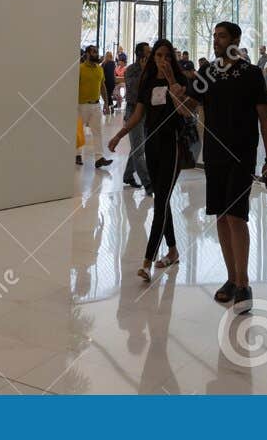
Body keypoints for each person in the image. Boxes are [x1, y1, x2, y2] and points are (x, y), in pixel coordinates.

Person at [192, 21, 267, 311]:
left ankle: (243, 282)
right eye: (214, 35)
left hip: (242, 154)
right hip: (213, 154)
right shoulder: (208, 72)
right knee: (221, 216)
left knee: (236, 216)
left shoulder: (251, 73)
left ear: (235, 40)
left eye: (222, 36)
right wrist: (170, 80)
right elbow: (189, 105)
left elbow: (264, 116)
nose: (216, 40)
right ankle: (230, 278)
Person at [110, 40, 193, 280]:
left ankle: (147, 261)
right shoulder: (147, 81)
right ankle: (173, 250)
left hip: (173, 145)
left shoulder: (180, 82)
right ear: (152, 57)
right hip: (153, 145)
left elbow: (185, 111)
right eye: (158, 55)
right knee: (162, 199)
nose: (162, 60)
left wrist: (171, 81)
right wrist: (119, 135)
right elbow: (138, 114)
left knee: (160, 202)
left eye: (167, 56)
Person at [121, 42, 152, 190]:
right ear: (140, 54)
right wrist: (143, 71)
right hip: (133, 111)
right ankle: (148, 183)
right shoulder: (131, 70)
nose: (150, 54)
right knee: (139, 149)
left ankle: (128, 175)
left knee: (138, 147)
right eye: (148, 52)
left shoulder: (152, 70)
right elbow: (134, 90)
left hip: (147, 112)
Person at [77, 46, 110, 168]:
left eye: (97, 52)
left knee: (98, 132)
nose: (96, 54)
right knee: (79, 131)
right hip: (81, 105)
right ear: (87, 54)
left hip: (96, 105)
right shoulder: (80, 69)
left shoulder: (100, 69)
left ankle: (99, 158)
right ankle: (77, 155)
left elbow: (102, 86)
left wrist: (106, 103)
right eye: (94, 52)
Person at [101, 50, 118, 116]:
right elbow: (113, 73)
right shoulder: (113, 63)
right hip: (112, 82)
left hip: (106, 81)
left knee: (107, 95)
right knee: (108, 95)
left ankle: (107, 107)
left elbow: (102, 73)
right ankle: (110, 107)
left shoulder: (104, 63)